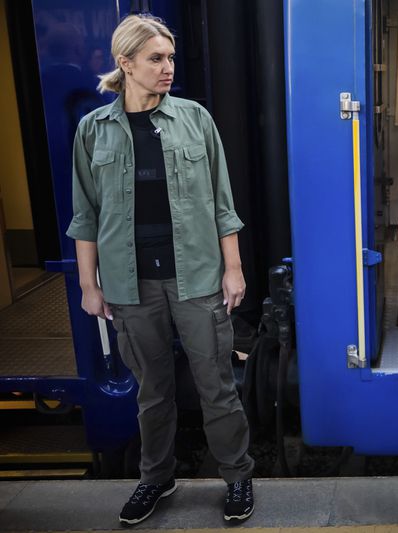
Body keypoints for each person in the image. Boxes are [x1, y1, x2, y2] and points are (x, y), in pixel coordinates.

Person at [67, 14, 255, 525]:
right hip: (130, 285)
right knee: (152, 392)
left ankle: (237, 478)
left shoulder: (195, 118)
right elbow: (85, 214)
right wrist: (89, 285)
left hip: (195, 277)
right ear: (125, 64)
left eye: (170, 57)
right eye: (156, 59)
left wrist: (232, 270)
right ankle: (156, 478)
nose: (168, 67)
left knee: (216, 384)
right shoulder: (94, 129)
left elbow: (222, 205)